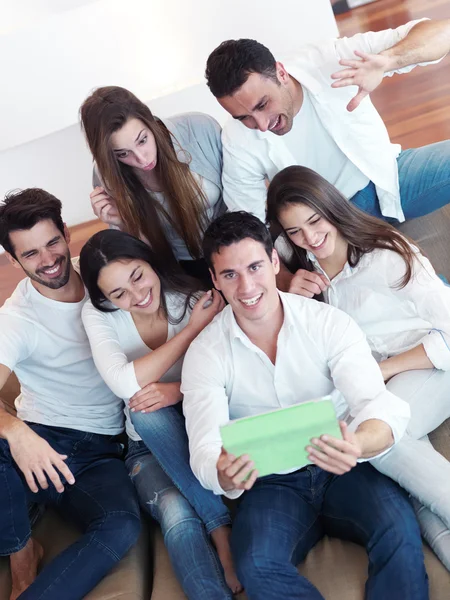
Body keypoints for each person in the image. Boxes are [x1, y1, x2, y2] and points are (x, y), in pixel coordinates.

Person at [181, 211, 428, 599]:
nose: (246, 286)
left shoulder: (329, 324)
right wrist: (223, 474)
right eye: (230, 274)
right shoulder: (205, 354)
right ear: (214, 280)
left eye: (255, 267)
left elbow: (377, 404)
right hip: (271, 485)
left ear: (275, 262)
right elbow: (204, 450)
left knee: (399, 529)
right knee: (257, 565)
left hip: (343, 466)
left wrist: (358, 445)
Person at [266, 164, 450, 569]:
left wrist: (384, 371)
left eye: (315, 221)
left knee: (387, 441)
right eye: (295, 231)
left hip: (432, 363)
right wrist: (292, 302)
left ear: (331, 207)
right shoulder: (300, 268)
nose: (310, 239)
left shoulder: (387, 256)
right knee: (390, 463)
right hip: (376, 384)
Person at [79, 228, 241, 598]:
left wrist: (175, 391)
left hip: (203, 430)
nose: (137, 295)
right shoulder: (99, 315)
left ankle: (220, 528)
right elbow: (125, 385)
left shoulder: (195, 298)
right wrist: (193, 330)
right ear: (104, 297)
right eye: (118, 293)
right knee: (176, 511)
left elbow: (235, 376)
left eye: (138, 276)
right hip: (145, 450)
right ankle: (220, 531)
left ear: (148, 259)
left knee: (147, 409)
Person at [0, 190, 141, 600]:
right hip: (40, 437)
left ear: (66, 233)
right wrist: (18, 433)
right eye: (30, 254)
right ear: (13, 260)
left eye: (52, 243)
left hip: (98, 451)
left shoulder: (103, 276)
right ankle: (22, 554)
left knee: (122, 524)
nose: (47, 260)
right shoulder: (15, 320)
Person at [205, 19, 450, 227]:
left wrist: (388, 60)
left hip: (389, 178)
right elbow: (249, 224)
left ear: (281, 73)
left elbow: (442, 32)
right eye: (244, 117)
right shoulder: (236, 138)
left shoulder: (329, 60)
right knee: (416, 280)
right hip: (333, 227)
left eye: (262, 105)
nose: (260, 124)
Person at [80, 86, 225, 284]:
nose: (141, 159)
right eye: (122, 154)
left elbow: (242, 197)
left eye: (142, 140)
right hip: (176, 271)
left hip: (233, 247)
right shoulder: (106, 175)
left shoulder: (198, 129)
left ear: (150, 122)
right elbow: (140, 256)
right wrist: (124, 223)